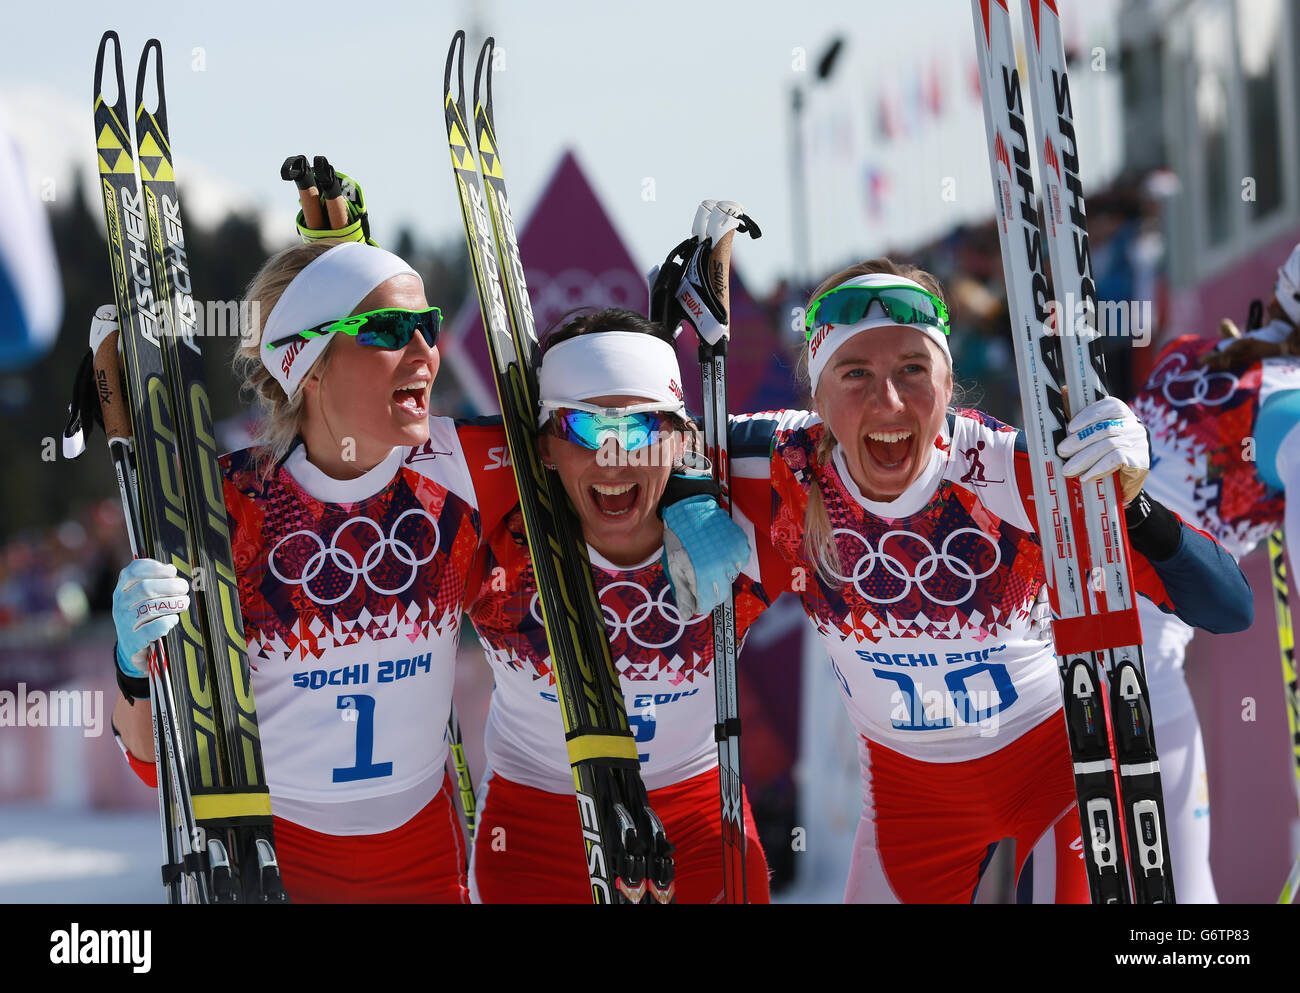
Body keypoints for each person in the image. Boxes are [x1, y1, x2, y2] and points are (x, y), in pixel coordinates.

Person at [724, 258, 1254, 903]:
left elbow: (1228, 606)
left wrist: (1135, 506)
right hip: (910, 798)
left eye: (913, 370)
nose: (887, 401)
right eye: (855, 373)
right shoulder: (781, 471)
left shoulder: (1013, 473)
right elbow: (641, 445)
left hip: (1060, 771)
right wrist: (691, 494)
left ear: (950, 385)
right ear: (818, 395)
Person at [466, 307, 778, 903]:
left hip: (699, 821)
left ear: (681, 437)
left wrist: (694, 479)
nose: (613, 459)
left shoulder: (742, 517)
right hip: (534, 833)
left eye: (638, 430)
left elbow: (859, 443)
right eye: (585, 430)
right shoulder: (495, 530)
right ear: (546, 449)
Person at [1119, 240, 1300, 902]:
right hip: (1134, 650)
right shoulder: (1292, 413)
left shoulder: (1187, 350)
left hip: (1041, 611)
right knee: (1184, 897)